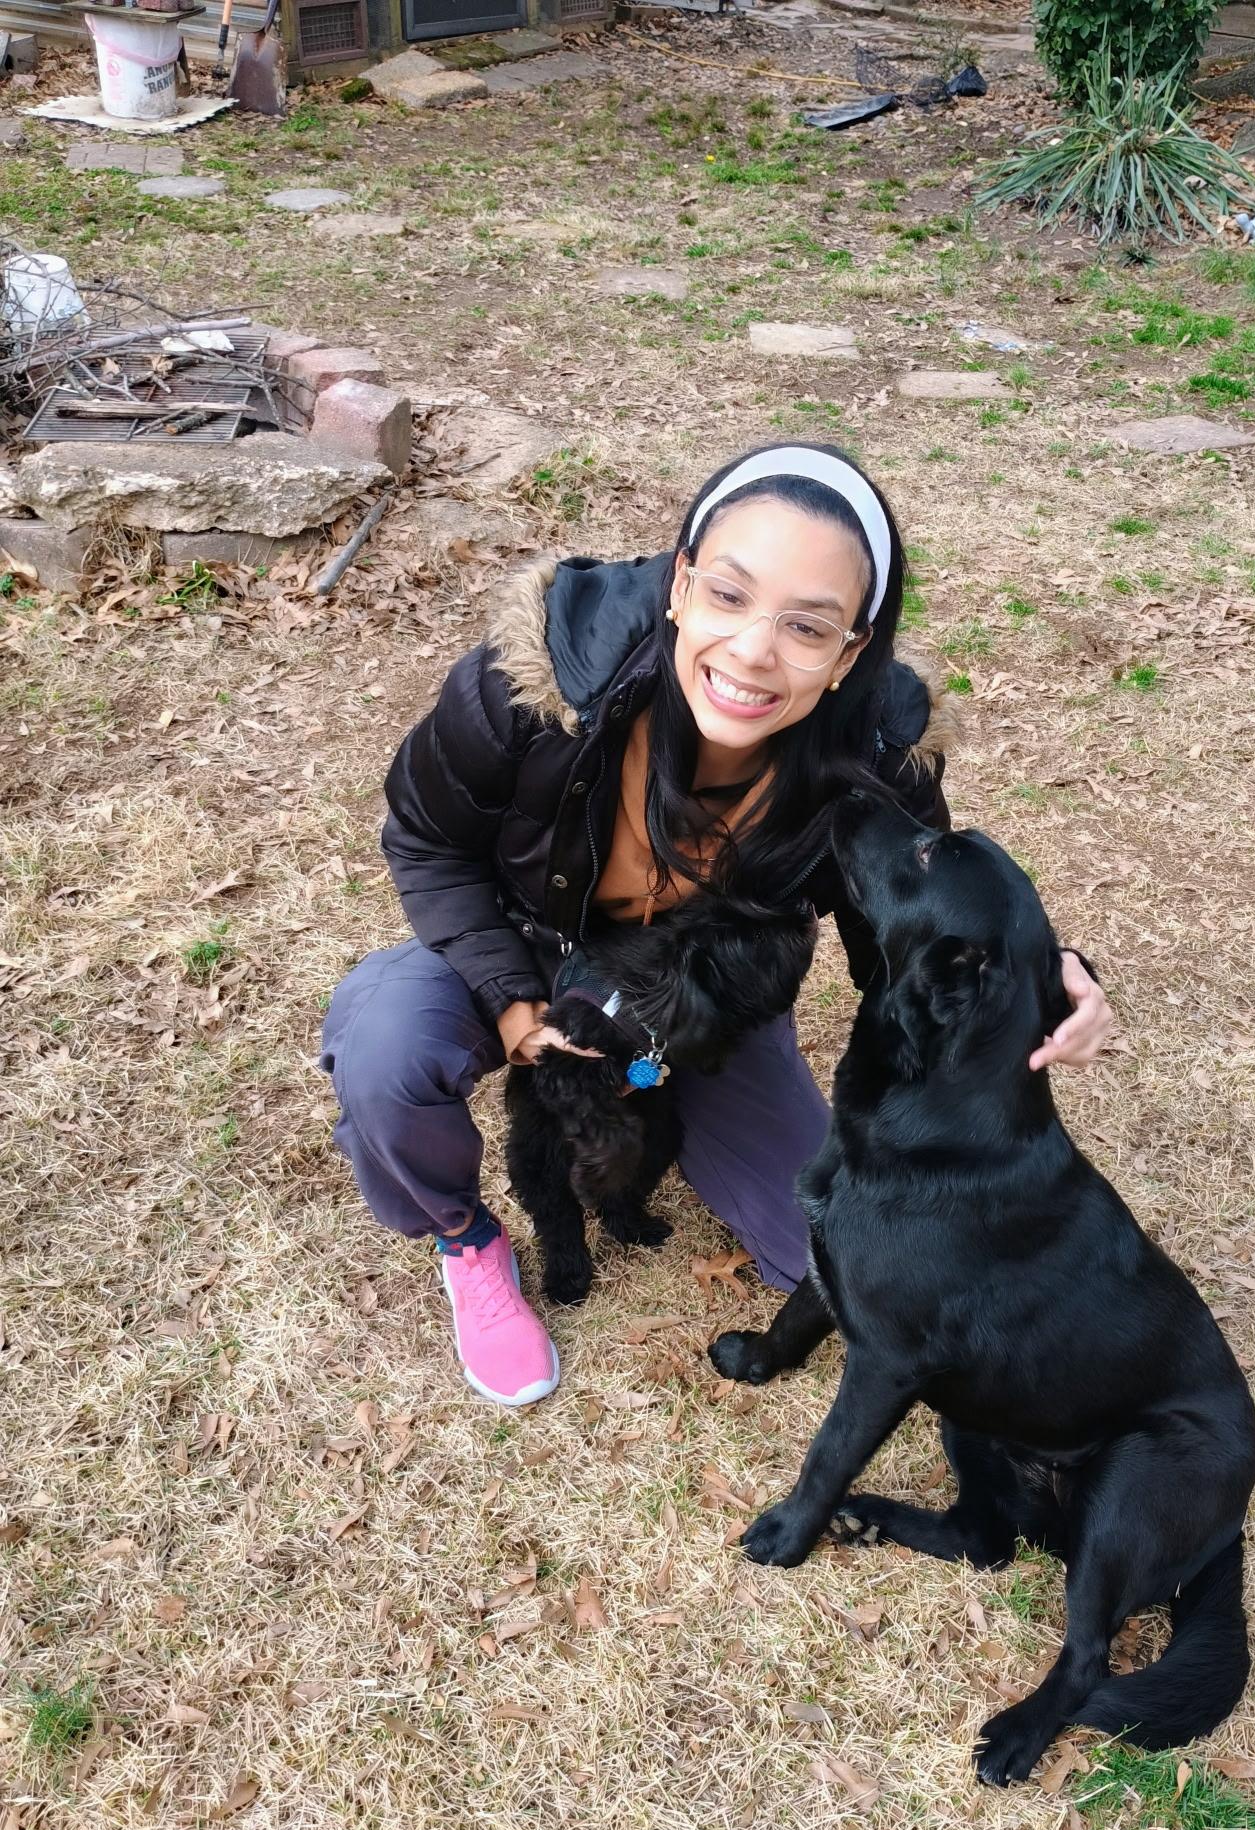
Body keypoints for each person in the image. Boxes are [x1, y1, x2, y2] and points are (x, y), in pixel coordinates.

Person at [320, 444, 1115, 1409]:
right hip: (520, 934)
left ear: (851, 652)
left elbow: (907, 935)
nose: (751, 652)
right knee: (386, 1050)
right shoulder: (531, 685)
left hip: (698, 984)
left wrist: (1041, 988)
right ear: (680, 585)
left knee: (820, 1257)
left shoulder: (877, 756)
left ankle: (676, 1095)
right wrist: (511, 1000)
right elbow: (427, 842)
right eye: (730, 597)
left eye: (807, 626)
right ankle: (466, 1239)